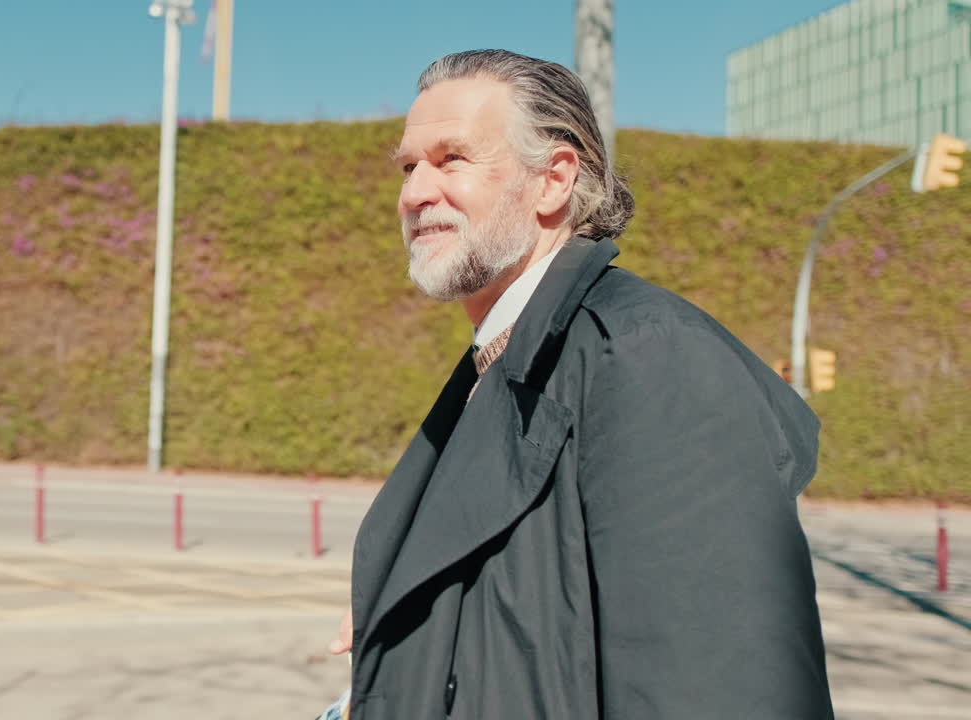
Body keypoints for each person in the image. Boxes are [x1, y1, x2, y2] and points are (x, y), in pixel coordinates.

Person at [329, 50, 833, 719]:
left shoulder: (648, 356)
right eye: (408, 165)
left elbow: (718, 689)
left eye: (452, 159)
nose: (414, 192)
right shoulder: (503, 363)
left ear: (553, 181)